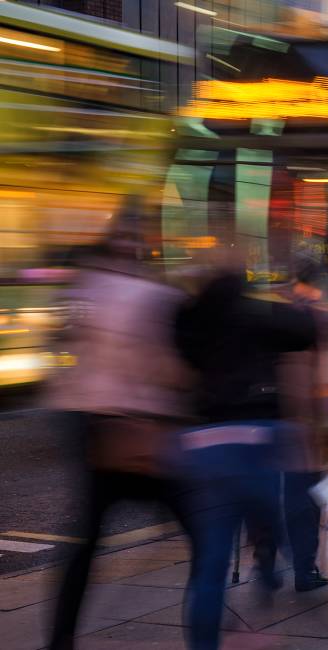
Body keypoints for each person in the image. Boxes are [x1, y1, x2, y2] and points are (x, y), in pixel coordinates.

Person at [47, 198, 193, 650]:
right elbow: (168, 370)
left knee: (86, 538)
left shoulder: (82, 286)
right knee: (202, 528)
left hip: (89, 424)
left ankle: (60, 639)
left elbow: (63, 345)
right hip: (137, 429)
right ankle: (212, 626)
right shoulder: (154, 295)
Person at [174, 260, 318, 650]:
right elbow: (306, 330)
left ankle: (203, 644)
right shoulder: (256, 312)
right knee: (273, 509)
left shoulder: (192, 320)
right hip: (255, 437)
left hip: (204, 444)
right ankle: (279, 564)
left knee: (212, 560)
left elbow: (181, 356)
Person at [256, 255, 328, 592]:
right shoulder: (317, 318)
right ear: (317, 282)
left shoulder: (267, 312)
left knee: (269, 496)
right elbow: (322, 377)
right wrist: (324, 427)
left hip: (267, 420)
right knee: (304, 502)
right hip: (303, 424)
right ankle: (304, 571)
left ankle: (266, 565)